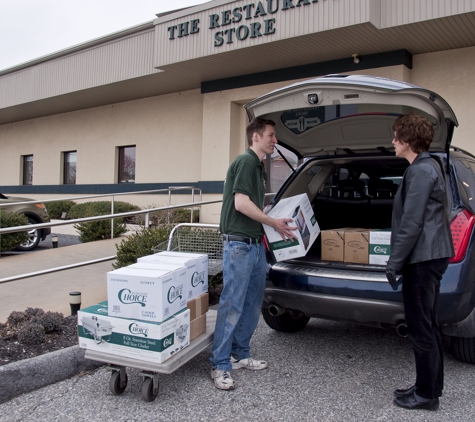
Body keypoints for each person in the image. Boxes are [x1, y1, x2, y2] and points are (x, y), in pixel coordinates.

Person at [210, 118, 298, 390]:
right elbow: (241, 203)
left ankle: (240, 354)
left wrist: (268, 231)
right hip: (238, 246)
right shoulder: (247, 162)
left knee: (252, 301)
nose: (275, 140)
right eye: (271, 135)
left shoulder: (258, 166)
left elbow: (254, 208)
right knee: (233, 303)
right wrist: (273, 224)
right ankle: (220, 364)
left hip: (254, 244)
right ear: (256, 136)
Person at [386, 113, 454, 411]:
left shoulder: (421, 171)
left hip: (422, 260)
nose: (392, 141)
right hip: (428, 257)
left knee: (420, 327)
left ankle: (427, 395)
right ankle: (427, 387)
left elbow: (412, 223)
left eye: (396, 136)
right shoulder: (426, 168)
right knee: (428, 325)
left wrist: (394, 263)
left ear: (407, 139)